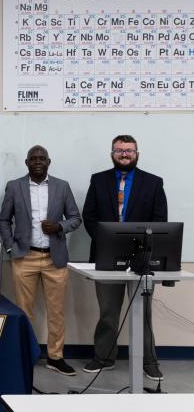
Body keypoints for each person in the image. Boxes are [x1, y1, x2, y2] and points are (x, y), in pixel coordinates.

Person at [82, 135, 167, 381]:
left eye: (129, 150)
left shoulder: (153, 183)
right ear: (112, 153)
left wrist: (145, 249)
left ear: (137, 153)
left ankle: (149, 362)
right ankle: (103, 358)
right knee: (108, 311)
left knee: (144, 313)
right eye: (119, 150)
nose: (124, 154)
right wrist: (107, 242)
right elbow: (89, 216)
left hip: (143, 260)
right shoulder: (98, 181)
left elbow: (160, 220)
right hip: (106, 257)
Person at [0, 145, 81, 376]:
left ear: (48, 162)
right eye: (33, 158)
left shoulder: (62, 186)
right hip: (25, 257)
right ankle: (25, 355)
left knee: (56, 312)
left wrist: (59, 227)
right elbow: (4, 219)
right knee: (24, 312)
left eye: (41, 158)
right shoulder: (15, 186)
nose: (37, 161)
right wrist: (9, 247)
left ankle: (56, 357)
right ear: (26, 162)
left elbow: (75, 217)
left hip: (55, 259)